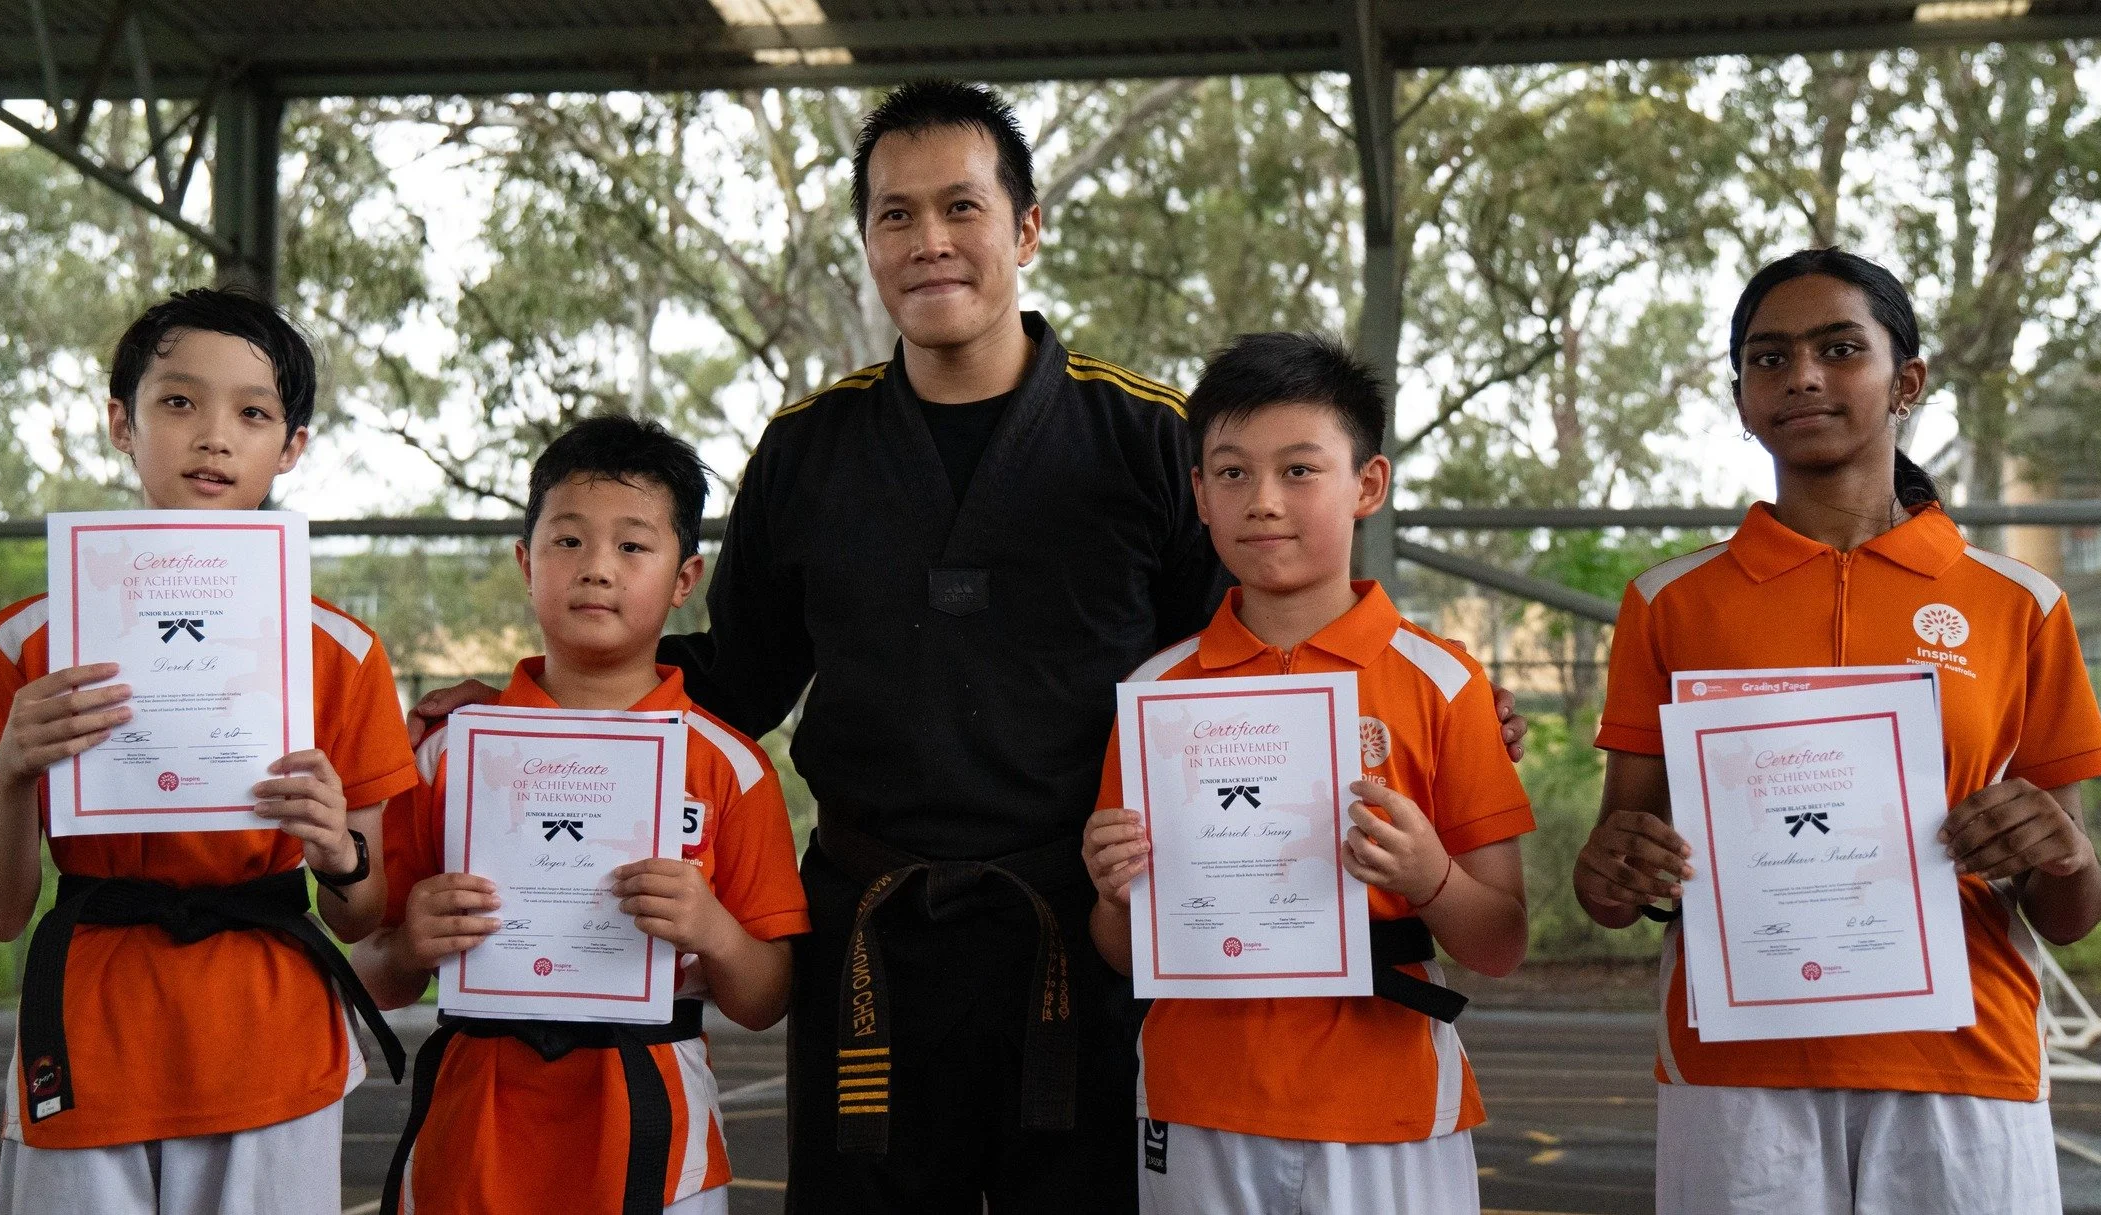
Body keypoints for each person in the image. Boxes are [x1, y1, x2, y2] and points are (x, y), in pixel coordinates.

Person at [413, 80, 1528, 1212]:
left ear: (1027, 229)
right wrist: (525, 711)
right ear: (866, 241)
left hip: (1092, 925)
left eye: (961, 207)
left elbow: (1248, 662)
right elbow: (732, 676)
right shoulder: (809, 449)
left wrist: (1423, 721)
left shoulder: (1146, 438)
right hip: (870, 936)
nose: (929, 242)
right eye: (896, 215)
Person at [1573, 247, 2101, 1214]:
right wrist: (1614, 868)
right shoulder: (1669, 603)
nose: (1803, 377)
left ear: (1906, 380)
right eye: (1769, 358)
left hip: (1966, 1063)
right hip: (1737, 1064)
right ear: (1739, 393)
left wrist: (2063, 856)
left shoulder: (2018, 603)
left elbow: (2070, 909)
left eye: (1839, 348)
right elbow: (1615, 888)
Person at [0, 289, 416, 1215]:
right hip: (89, 1037)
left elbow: (363, 914)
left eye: (252, 412)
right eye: (178, 401)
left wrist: (337, 849)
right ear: (121, 422)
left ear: (292, 447)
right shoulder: (24, 643)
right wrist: (11, 774)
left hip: (272, 1040)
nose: (214, 435)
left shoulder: (343, 649)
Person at [1081, 333, 1534, 1215]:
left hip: (1389, 1101)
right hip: (1199, 1097)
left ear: (1368, 484)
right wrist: (1111, 895)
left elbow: (1502, 941)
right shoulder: (1155, 696)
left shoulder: (1445, 682)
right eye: (1234, 473)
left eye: (1299, 470)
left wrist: (1429, 875)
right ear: (1199, 495)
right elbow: (1125, 949)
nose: (1265, 502)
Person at [353, 416, 809, 1215]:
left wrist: (711, 927)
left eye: (633, 546)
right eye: (568, 541)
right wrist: (409, 942)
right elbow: (374, 974)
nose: (597, 567)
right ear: (526, 563)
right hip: (469, 1145)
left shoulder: (728, 766)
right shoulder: (446, 755)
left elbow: (767, 995)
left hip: (657, 1145)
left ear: (685, 577)